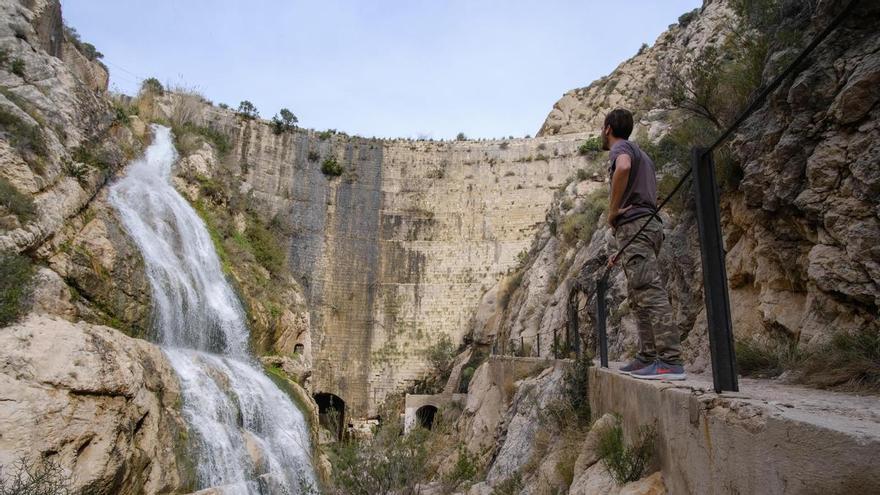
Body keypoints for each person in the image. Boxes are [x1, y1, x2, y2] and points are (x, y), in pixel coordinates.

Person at [602, 108, 685, 380]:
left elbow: (623, 167)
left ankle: (670, 362)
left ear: (607, 129)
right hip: (645, 226)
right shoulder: (643, 154)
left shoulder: (621, 148)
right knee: (639, 295)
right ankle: (647, 357)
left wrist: (612, 211)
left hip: (635, 226)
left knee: (649, 290)